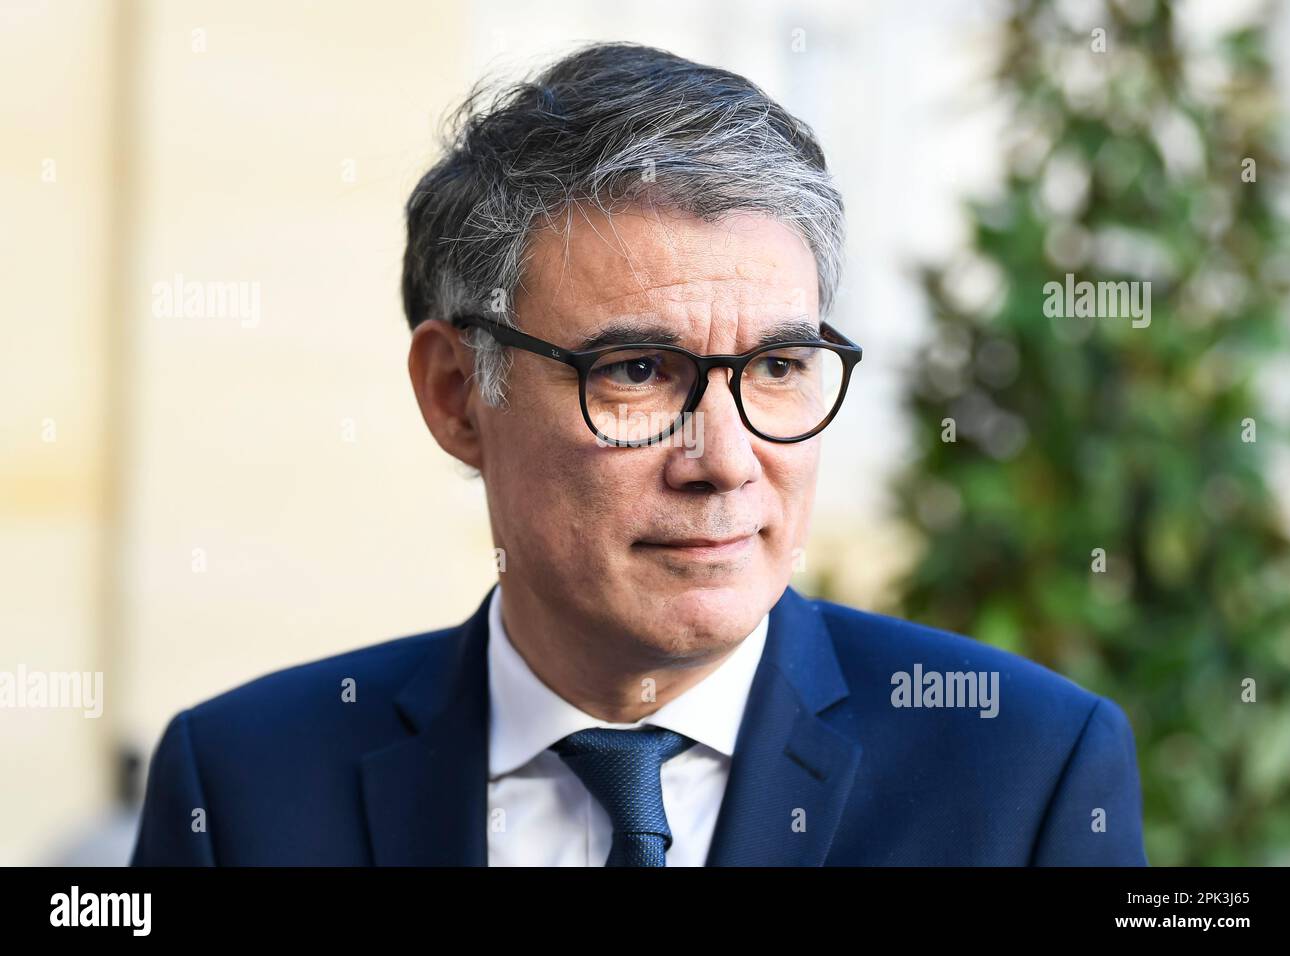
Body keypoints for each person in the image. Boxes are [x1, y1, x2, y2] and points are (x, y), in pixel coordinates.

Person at [131, 41, 1146, 867]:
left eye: (779, 364)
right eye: (635, 370)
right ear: (456, 395)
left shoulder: (1024, 771)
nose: (726, 459)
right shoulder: (243, 786)